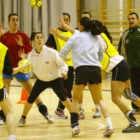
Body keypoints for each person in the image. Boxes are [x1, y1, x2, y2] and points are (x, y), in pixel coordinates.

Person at [59, 17, 114, 137]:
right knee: (99, 99)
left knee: (75, 99)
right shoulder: (96, 37)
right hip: (95, 69)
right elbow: (101, 54)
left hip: (81, 69)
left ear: (81, 25)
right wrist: (95, 61)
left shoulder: (75, 37)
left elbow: (62, 53)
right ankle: (110, 125)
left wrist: (59, 64)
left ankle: (75, 126)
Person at [0, 13, 53, 125]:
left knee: (32, 92)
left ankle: (45, 113)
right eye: (13, 20)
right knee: (5, 93)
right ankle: (3, 116)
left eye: (17, 20)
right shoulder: (4, 37)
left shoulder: (23, 36)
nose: (15, 22)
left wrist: (22, 45)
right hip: (7, 69)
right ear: (9, 22)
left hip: (20, 68)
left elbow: (30, 50)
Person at [49, 11, 102, 119]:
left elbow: (71, 40)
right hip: (73, 66)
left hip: (80, 66)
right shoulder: (79, 35)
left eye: (66, 20)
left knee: (76, 92)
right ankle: (79, 110)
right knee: (70, 91)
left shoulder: (92, 36)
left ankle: (76, 121)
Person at [92, 19, 140, 133]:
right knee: (128, 94)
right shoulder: (102, 35)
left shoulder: (98, 39)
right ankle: (134, 122)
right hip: (123, 64)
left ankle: (134, 123)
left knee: (115, 98)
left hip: (118, 67)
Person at [18, 32, 71, 127]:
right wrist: (23, 61)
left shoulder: (51, 52)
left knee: (63, 97)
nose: (39, 39)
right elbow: (28, 67)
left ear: (43, 40)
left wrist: (64, 72)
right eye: (37, 38)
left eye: (41, 37)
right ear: (33, 41)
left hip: (55, 78)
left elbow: (63, 64)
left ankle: (74, 116)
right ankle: (23, 118)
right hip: (41, 80)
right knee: (31, 98)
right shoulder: (31, 55)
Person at [46, 12, 73, 119]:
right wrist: (60, 57)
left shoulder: (71, 34)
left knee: (68, 89)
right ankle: (72, 113)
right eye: (63, 20)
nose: (65, 22)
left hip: (71, 65)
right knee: (67, 90)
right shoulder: (54, 33)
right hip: (60, 66)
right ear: (59, 21)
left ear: (69, 22)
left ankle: (59, 110)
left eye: (67, 20)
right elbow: (48, 48)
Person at [0, 42, 30, 140]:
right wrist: (22, 67)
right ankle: (12, 137)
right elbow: (9, 71)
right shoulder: (3, 48)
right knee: (9, 112)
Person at [118, 12, 140, 115]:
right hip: (131, 67)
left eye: (133, 18)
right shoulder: (124, 35)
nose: (131, 20)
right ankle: (136, 108)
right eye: (129, 19)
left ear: (138, 20)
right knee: (134, 87)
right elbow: (121, 53)